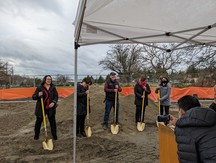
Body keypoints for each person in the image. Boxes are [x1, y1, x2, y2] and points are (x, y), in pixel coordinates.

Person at [169, 95, 216, 163]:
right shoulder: (212, 116)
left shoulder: (183, 129)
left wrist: (179, 123)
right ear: (200, 105)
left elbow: (187, 159)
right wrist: (178, 122)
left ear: (181, 111)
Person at [32, 75, 58, 140]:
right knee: (38, 122)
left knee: (52, 122)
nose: (49, 80)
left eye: (50, 79)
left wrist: (53, 102)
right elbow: (33, 97)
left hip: (50, 108)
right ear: (45, 80)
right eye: (48, 79)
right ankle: (36, 135)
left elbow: (56, 96)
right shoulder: (40, 88)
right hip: (41, 108)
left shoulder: (53, 87)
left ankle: (54, 135)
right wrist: (38, 95)